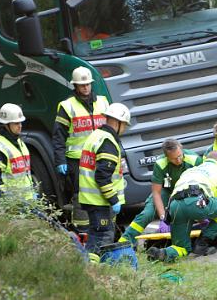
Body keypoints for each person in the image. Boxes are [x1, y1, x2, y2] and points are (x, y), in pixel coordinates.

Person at [53, 66, 111, 231]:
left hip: (100, 158)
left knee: (103, 192)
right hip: (77, 161)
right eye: (81, 84)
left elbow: (111, 131)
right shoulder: (66, 106)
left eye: (87, 84)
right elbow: (58, 137)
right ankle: (83, 232)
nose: (85, 87)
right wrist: (60, 161)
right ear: (75, 86)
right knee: (81, 197)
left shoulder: (103, 102)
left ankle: (106, 229)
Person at [119, 138, 202, 245]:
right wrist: (163, 218)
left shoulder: (195, 160)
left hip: (189, 192)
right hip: (167, 191)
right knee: (147, 214)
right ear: (167, 157)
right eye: (173, 159)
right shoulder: (160, 164)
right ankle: (124, 241)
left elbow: (206, 183)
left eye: (180, 156)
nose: (178, 160)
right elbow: (156, 193)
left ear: (181, 149)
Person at [78, 103, 131, 263]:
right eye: (124, 126)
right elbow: (102, 176)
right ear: (118, 122)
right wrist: (113, 200)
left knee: (95, 234)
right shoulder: (108, 142)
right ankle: (93, 272)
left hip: (90, 198)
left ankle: (90, 267)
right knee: (101, 237)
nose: (125, 130)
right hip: (99, 200)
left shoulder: (96, 135)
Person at [0, 103, 35, 202]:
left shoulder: (19, 142)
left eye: (20, 123)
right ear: (6, 124)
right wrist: (7, 201)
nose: (20, 126)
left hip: (27, 200)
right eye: (16, 123)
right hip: (11, 203)